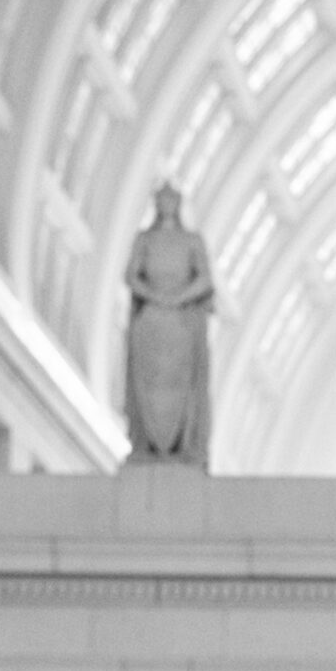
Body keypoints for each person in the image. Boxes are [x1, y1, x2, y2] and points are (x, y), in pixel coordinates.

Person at [123, 183, 214, 464]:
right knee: (149, 384)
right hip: (151, 323)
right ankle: (149, 443)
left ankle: (180, 444)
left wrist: (177, 298)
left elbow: (205, 279)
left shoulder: (191, 241)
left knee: (180, 384)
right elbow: (131, 276)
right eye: (161, 200)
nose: (166, 206)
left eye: (171, 200)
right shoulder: (145, 240)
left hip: (179, 324)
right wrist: (155, 297)